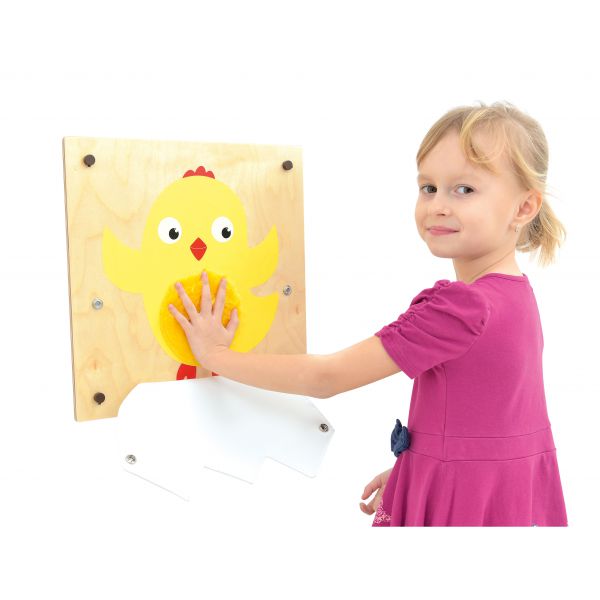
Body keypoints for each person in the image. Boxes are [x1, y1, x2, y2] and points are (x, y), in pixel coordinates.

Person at [168, 100, 569, 526]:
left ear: (524, 207)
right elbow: (495, 421)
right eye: (428, 187)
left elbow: (328, 378)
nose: (437, 205)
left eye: (464, 190)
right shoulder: (517, 296)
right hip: (507, 496)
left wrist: (216, 356)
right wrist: (418, 466)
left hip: (465, 502)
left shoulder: (461, 306)